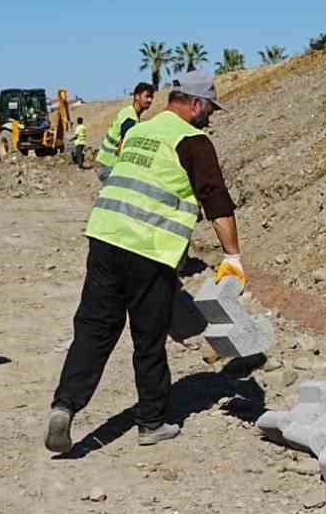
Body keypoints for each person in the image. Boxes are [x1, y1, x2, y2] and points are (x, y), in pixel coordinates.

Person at [45, 71, 244, 451]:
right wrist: (232, 256)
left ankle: (64, 406)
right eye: (210, 109)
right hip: (148, 248)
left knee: (93, 330)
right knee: (148, 338)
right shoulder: (193, 141)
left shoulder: (139, 131)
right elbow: (216, 201)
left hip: (105, 236)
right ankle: (151, 422)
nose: (211, 118)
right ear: (196, 104)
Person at [96, 82, 156, 182]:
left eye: (151, 98)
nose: (150, 100)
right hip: (111, 165)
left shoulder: (129, 113)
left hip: (106, 162)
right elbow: (123, 146)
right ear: (137, 96)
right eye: (147, 96)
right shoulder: (130, 117)